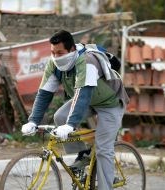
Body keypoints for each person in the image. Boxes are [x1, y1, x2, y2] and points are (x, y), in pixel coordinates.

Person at [21, 30, 129, 190]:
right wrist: (33, 120)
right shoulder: (53, 64)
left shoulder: (87, 61)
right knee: (60, 117)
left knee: (103, 149)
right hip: (88, 100)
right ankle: (83, 154)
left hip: (110, 103)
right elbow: (44, 93)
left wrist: (71, 125)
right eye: (53, 52)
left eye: (60, 52)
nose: (56, 57)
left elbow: (83, 94)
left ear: (71, 49)